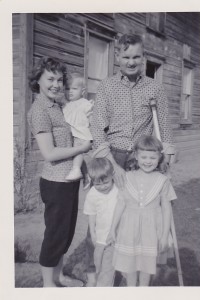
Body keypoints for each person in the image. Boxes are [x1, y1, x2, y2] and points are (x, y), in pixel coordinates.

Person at [84, 33, 175, 286]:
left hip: (141, 159)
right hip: (110, 157)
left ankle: (130, 276)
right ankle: (97, 276)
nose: (131, 61)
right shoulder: (107, 86)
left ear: (143, 57)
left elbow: (164, 127)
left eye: (136, 56)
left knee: (136, 218)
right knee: (103, 217)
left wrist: (167, 160)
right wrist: (114, 165)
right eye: (126, 56)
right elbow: (96, 129)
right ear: (118, 57)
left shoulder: (155, 87)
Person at [27, 56, 91, 287]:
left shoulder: (60, 106)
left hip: (69, 179)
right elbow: (50, 153)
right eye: (50, 79)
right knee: (55, 233)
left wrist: (83, 166)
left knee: (65, 232)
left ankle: (60, 276)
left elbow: (71, 138)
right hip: (55, 182)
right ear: (38, 81)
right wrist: (83, 148)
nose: (56, 84)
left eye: (59, 79)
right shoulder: (39, 110)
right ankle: (48, 285)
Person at [107, 134, 177, 286]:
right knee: (130, 264)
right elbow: (120, 204)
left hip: (151, 230)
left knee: (147, 264)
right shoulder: (127, 177)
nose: (148, 161)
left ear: (159, 158)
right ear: (136, 157)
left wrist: (165, 235)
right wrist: (113, 228)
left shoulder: (163, 180)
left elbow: (166, 209)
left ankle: (144, 288)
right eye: (144, 157)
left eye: (152, 158)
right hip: (129, 229)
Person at [83, 158, 118, 286]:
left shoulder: (118, 190)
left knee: (108, 268)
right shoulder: (92, 194)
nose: (102, 187)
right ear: (91, 180)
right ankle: (96, 282)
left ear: (112, 175)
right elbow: (91, 214)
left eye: (106, 183)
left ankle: (103, 289)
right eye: (97, 184)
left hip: (113, 237)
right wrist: (92, 232)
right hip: (99, 237)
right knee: (97, 264)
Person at [62, 72, 93, 186]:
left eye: (74, 88)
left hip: (82, 133)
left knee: (78, 152)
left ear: (83, 91)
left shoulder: (85, 103)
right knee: (78, 156)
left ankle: (76, 170)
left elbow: (92, 117)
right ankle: (86, 175)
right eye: (67, 88)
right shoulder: (65, 105)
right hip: (72, 134)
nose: (70, 91)